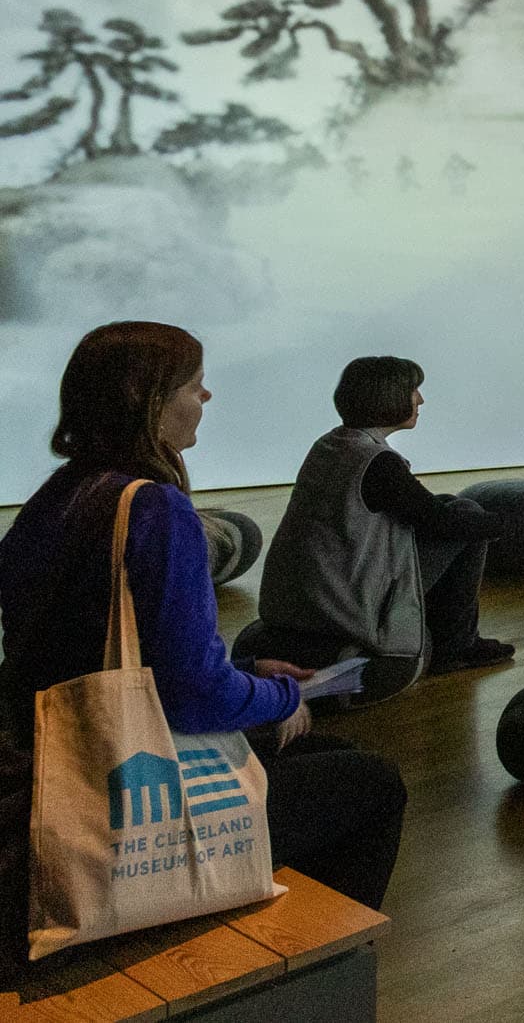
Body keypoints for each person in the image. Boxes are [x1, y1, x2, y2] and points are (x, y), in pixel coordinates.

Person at [0, 322, 407, 921]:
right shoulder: (155, 509)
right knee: (371, 785)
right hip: (106, 791)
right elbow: (193, 697)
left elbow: (100, 655)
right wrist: (283, 695)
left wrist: (246, 670)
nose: (206, 397)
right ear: (151, 401)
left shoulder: (58, 495)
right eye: (196, 384)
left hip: (42, 759)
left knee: (326, 759)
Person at [255, 356, 515, 701]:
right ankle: (456, 647)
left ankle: (455, 642)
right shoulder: (378, 463)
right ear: (388, 398)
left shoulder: (331, 444)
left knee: (455, 505)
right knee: (466, 516)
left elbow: (420, 509)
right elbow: (442, 522)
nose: (420, 400)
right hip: (346, 600)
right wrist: (507, 524)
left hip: (310, 594)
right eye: (413, 391)